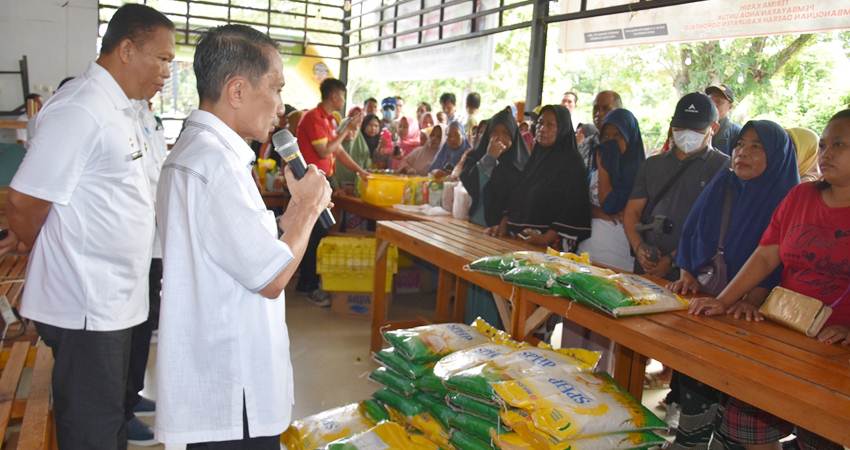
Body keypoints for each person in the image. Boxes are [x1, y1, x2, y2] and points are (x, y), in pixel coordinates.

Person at [0, 5, 175, 448]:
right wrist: (52, 250)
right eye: (162, 58)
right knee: (91, 430)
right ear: (127, 50)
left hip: (114, 300)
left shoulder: (122, 108)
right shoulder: (82, 108)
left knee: (109, 421)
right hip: (86, 303)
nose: (166, 72)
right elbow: (23, 201)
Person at [154, 24, 331, 448]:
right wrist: (309, 208)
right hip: (232, 386)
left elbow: (241, 246)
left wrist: (293, 213)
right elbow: (270, 276)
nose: (280, 106)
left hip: (217, 371)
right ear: (236, 90)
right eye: (276, 88)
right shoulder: (215, 165)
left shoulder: (199, 152)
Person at [689, 110, 850, 450]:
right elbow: (766, 255)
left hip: (836, 350)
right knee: (750, 425)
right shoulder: (800, 197)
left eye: (839, 145)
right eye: (823, 145)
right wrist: (723, 300)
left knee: (820, 437)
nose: (826, 154)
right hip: (783, 333)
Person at [666, 120, 799, 449]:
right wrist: (687, 273)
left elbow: (779, 261)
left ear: (777, 155)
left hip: (753, 317)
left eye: (756, 147)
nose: (743, 153)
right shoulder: (723, 182)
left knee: (741, 410)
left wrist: (752, 298)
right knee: (697, 386)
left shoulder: (789, 200)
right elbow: (693, 228)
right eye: (740, 144)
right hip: (710, 302)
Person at [624, 92, 729, 281]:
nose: (686, 134)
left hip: (693, 275)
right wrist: (639, 248)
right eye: (680, 127)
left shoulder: (723, 168)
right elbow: (632, 212)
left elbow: (715, 226)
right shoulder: (652, 164)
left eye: (695, 129)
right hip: (647, 267)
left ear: (714, 128)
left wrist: (673, 259)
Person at [296, 78, 368, 306]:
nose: (343, 101)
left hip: (322, 181)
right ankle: (309, 285)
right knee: (313, 233)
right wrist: (346, 130)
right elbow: (324, 150)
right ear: (335, 96)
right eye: (343, 96)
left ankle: (308, 282)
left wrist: (360, 171)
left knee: (319, 232)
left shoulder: (328, 120)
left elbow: (337, 152)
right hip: (310, 181)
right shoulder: (313, 118)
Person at [123, 98, 169, 446]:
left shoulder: (147, 116)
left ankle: (132, 393)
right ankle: (121, 411)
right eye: (159, 69)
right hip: (131, 243)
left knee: (144, 324)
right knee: (128, 331)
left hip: (151, 241)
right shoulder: (118, 114)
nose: (164, 73)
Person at [497, 105, 592, 251]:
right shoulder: (536, 158)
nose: (542, 128)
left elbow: (572, 208)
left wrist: (545, 238)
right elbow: (518, 194)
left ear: (562, 129)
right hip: (522, 242)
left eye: (550, 125)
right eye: (540, 123)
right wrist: (504, 223)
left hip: (550, 247)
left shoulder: (572, 162)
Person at [577, 107, 644, 271]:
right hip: (585, 252)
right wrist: (597, 212)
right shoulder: (593, 169)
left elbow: (609, 204)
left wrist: (604, 169)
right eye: (606, 136)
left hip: (617, 258)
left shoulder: (638, 175)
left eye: (617, 135)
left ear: (629, 137)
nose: (610, 141)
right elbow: (578, 205)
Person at [461, 107, 530, 228]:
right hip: (473, 224)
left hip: (499, 230)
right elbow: (470, 184)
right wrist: (489, 158)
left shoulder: (521, 165)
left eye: (506, 133)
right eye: (495, 132)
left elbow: (519, 202)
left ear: (513, 136)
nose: (499, 137)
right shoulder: (475, 156)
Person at [577, 90, 622, 168]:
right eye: (596, 108)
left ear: (619, 112)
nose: (598, 113)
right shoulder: (585, 145)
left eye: (606, 109)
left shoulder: (625, 146)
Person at [333, 107, 371, 191]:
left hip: (356, 187)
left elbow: (366, 168)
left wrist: (357, 186)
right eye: (348, 129)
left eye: (355, 130)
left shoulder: (362, 145)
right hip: (336, 188)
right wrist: (336, 187)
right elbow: (330, 168)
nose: (351, 133)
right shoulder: (334, 145)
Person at [705, 84, 742, 156]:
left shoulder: (736, 133)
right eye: (710, 101)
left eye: (718, 101)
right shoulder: (696, 126)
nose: (713, 105)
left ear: (730, 107)